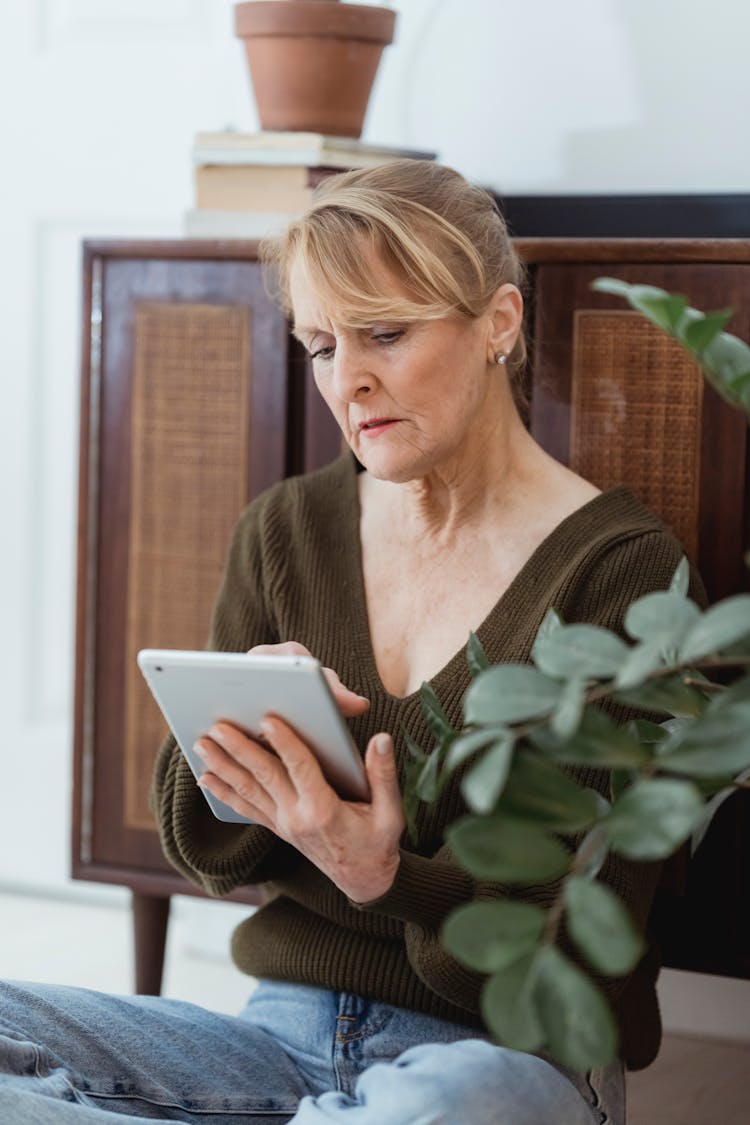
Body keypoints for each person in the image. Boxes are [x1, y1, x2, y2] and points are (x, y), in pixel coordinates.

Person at [0, 160, 692, 1124]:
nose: (347, 380)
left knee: (463, 1103)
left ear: (499, 321)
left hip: (500, 1053)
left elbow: (566, 938)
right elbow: (207, 850)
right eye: (322, 345)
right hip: (276, 1035)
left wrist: (385, 875)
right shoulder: (284, 530)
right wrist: (237, 735)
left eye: (385, 333)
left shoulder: (622, 571)